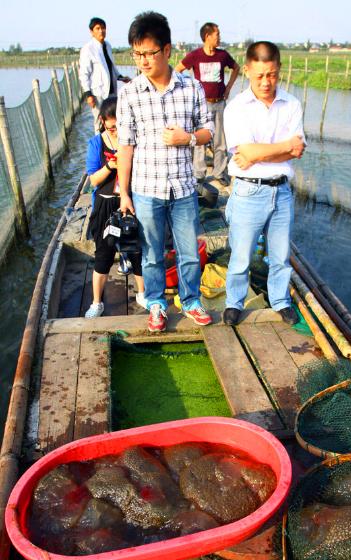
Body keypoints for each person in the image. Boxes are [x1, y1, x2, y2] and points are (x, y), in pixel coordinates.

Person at [116, 12, 215, 333]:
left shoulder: (191, 87)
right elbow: (126, 146)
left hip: (184, 188)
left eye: (149, 53)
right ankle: (156, 303)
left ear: (167, 50)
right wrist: (125, 193)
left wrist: (187, 138)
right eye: (137, 54)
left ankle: (191, 301)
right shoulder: (130, 93)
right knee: (151, 254)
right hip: (146, 189)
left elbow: (208, 130)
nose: (143, 61)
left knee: (189, 252)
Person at [222, 41, 306, 327]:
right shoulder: (236, 108)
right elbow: (247, 153)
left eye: (271, 74)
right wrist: (280, 149)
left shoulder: (292, 104)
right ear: (246, 71)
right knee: (241, 254)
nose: (266, 82)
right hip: (248, 190)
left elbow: (297, 150)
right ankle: (234, 302)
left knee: (281, 255)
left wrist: (258, 152)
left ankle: (280, 301)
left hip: (281, 191)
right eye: (259, 75)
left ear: (279, 70)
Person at [85, 96, 145, 318]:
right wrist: (111, 164)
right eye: (111, 127)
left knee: (137, 249)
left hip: (129, 200)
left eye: (120, 126)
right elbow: (94, 180)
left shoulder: (133, 140)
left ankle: (142, 293)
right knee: (104, 253)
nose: (116, 132)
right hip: (105, 203)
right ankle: (96, 302)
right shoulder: (95, 144)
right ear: (102, 121)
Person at [175, 22, 240, 186]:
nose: (219, 37)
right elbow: (177, 70)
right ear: (207, 36)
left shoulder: (222, 55)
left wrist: (228, 87)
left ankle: (219, 172)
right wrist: (187, 89)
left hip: (219, 103)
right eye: (217, 34)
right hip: (201, 104)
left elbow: (236, 68)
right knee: (199, 140)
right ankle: (199, 174)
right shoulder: (195, 55)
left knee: (220, 140)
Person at [79, 17, 131, 129]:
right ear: (91, 32)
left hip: (111, 90)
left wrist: (121, 77)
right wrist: (88, 95)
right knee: (99, 120)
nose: (101, 31)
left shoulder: (107, 46)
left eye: (103, 28)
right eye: (97, 28)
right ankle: (99, 145)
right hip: (98, 92)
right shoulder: (88, 49)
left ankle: (112, 144)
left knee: (114, 118)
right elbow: (84, 74)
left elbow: (111, 66)